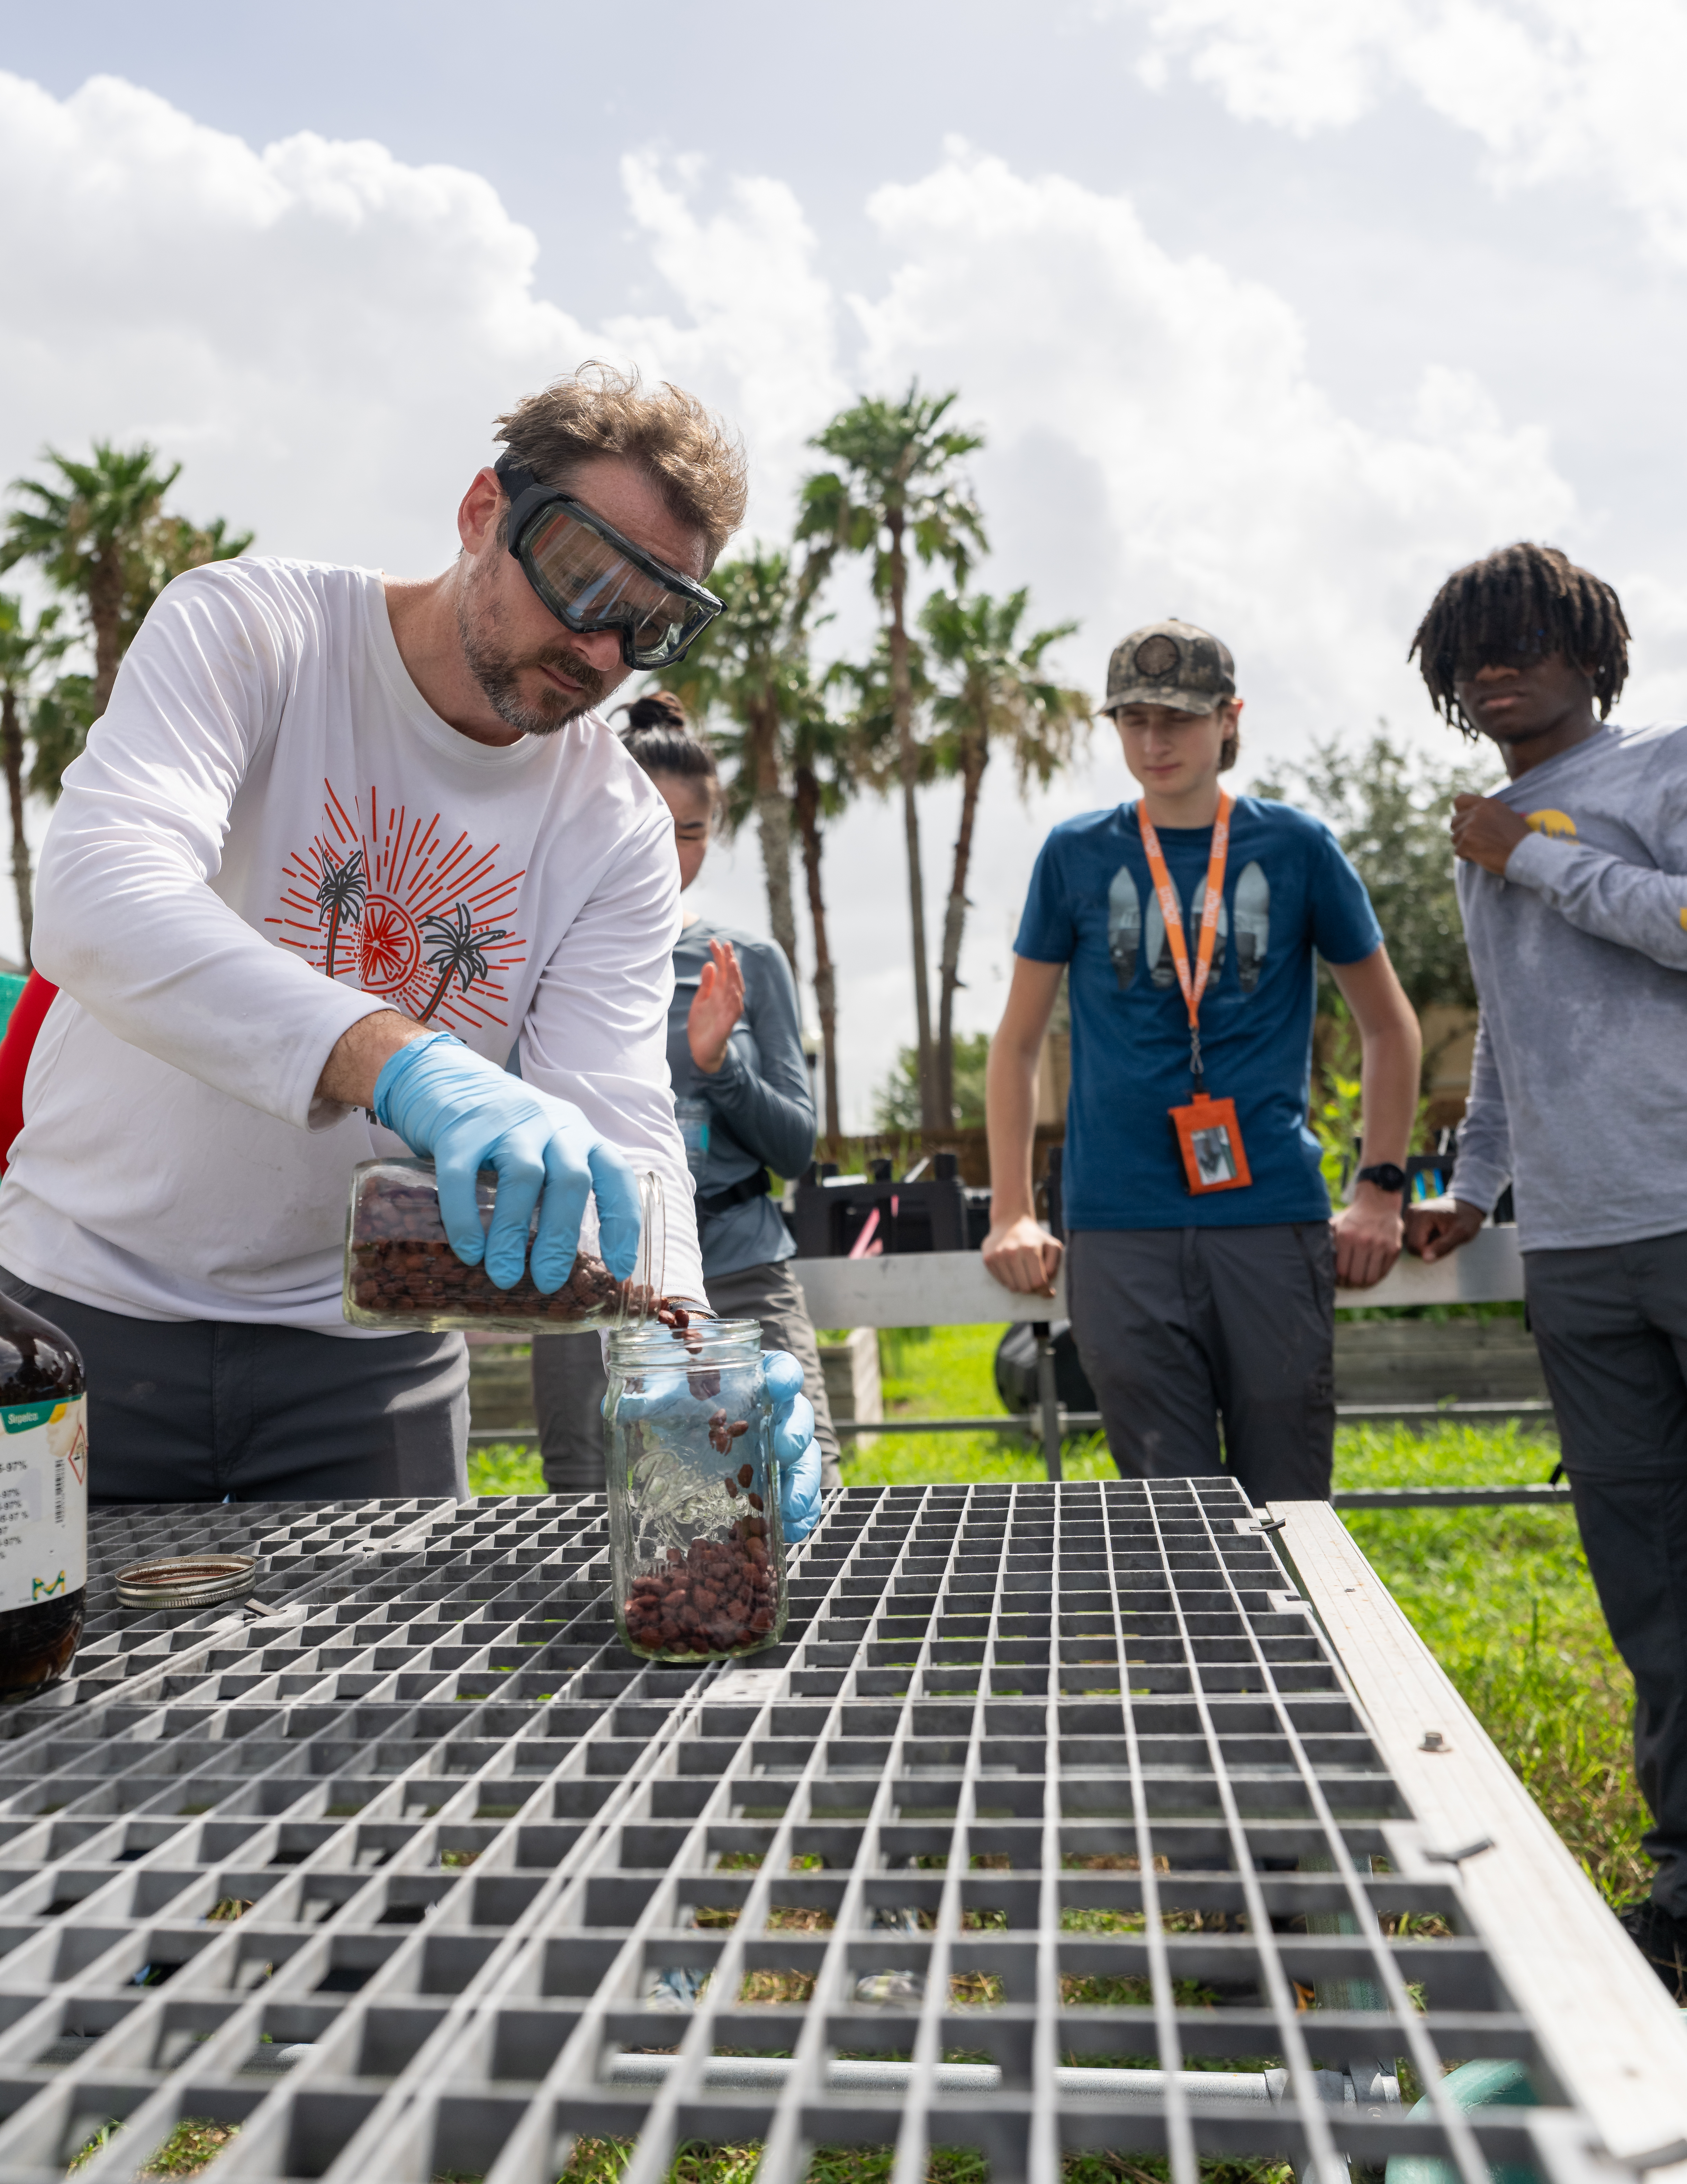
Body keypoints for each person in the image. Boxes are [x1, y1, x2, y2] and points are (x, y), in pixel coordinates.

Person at [0, 364, 820, 1535]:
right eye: (585, 576)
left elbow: (619, 1124)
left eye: (652, 623)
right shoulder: (258, 631)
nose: (601, 652)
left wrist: (685, 1355)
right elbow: (95, 896)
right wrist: (401, 1062)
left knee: (387, 1718)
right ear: (483, 512)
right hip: (78, 1313)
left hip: (365, 1360)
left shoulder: (611, 822)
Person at [1400, 540, 1687, 1995]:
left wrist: (1544, 858)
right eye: (1470, 652)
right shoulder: (1482, 827)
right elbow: (1508, 1036)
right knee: (1646, 1583)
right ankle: (1684, 1881)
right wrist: (1468, 1185)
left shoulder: (1665, 769)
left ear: (1590, 649)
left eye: (1519, 639)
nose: (1494, 667)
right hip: (1575, 1250)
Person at [982, 617, 1420, 1502]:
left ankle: (1297, 1647)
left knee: (1290, 1503)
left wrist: (1379, 1189)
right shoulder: (1074, 853)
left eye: (1177, 719)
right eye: (1132, 719)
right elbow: (1017, 1040)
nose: (1153, 742)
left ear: (1229, 719)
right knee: (1167, 1515)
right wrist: (1012, 1212)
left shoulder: (1296, 846)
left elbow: (1389, 1026)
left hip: (1268, 1220)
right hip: (1117, 1227)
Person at [532, 694, 842, 1497]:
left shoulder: (748, 960)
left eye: (693, 832)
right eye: (649, 822)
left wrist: (719, 1065)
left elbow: (796, 1148)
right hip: (590, 1281)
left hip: (740, 1273)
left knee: (779, 1493)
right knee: (590, 1508)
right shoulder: (547, 950)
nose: (668, 852)